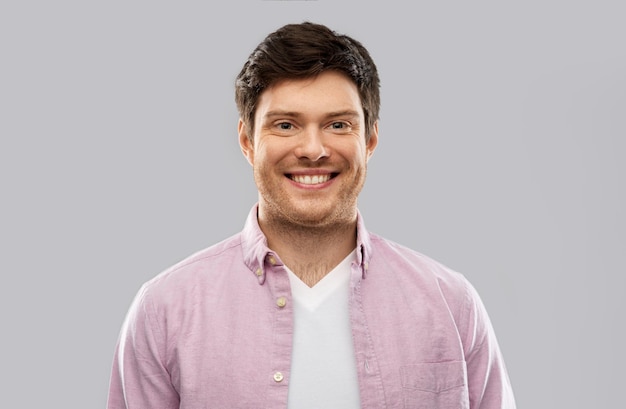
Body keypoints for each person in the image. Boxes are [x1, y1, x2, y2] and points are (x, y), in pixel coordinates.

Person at [107, 22, 516, 409]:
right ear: (247, 140)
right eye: (285, 125)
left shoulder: (451, 304)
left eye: (338, 124)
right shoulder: (164, 310)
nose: (313, 149)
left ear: (370, 138)